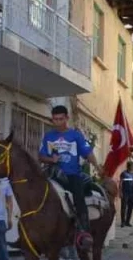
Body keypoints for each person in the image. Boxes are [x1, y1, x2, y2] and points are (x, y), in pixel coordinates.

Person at [38, 104, 101, 247]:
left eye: (60, 119)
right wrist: (51, 160)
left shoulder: (76, 135)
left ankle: (84, 231)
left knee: (79, 198)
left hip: (72, 175)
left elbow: (88, 153)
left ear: (67, 118)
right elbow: (41, 156)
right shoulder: (49, 136)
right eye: (55, 119)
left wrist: (97, 166)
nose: (58, 122)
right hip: (53, 175)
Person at [119, 160, 133, 227]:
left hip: (132, 194)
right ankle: (123, 222)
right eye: (132, 166)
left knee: (130, 208)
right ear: (129, 166)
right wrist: (120, 192)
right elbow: (120, 183)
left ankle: (127, 222)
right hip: (125, 193)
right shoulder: (123, 174)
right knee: (123, 208)